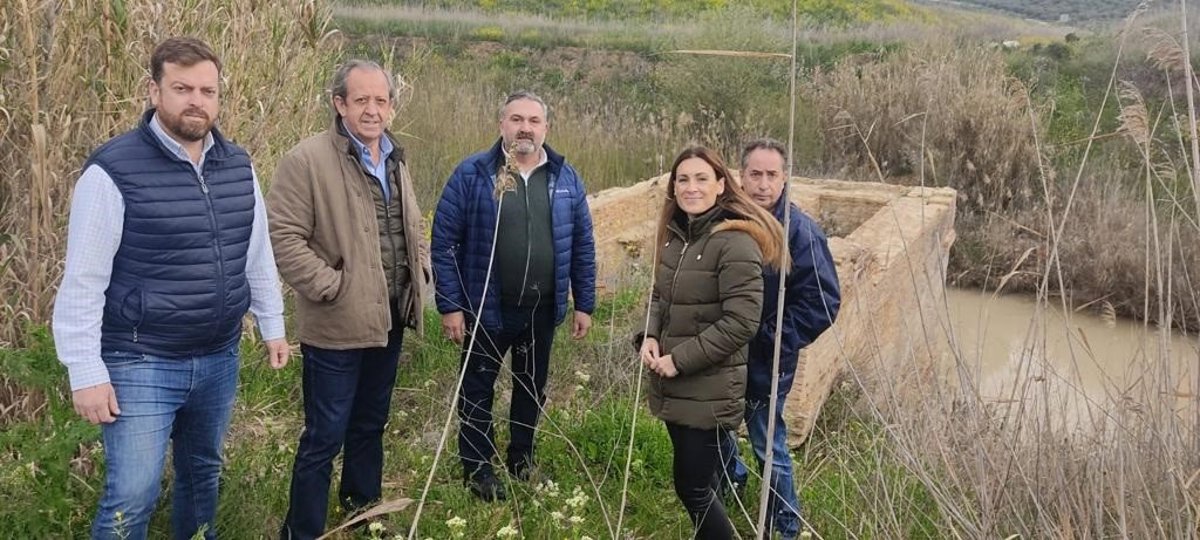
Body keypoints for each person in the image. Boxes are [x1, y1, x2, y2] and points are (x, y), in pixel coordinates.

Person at [51, 37, 289, 540]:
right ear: (154, 90)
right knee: (132, 494)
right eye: (182, 88)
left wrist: (273, 325)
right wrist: (85, 370)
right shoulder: (113, 171)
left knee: (202, 476)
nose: (196, 101)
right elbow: (84, 280)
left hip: (218, 356)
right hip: (141, 361)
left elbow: (256, 252)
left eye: (207, 91)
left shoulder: (238, 166)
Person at [267, 60, 430, 539]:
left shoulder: (395, 158)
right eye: (361, 100)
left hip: (389, 320)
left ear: (392, 106)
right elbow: (283, 237)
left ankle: (362, 514)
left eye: (381, 100)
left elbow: (412, 226)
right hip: (335, 326)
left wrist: (419, 271)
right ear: (339, 104)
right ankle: (302, 531)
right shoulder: (306, 160)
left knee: (370, 424)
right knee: (324, 436)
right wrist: (332, 287)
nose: (372, 110)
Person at [431, 91, 596, 501]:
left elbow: (582, 244)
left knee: (530, 388)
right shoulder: (472, 174)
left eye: (534, 121)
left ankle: (521, 459)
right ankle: (478, 469)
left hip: (541, 308)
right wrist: (450, 305)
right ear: (501, 124)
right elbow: (444, 242)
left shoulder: (565, 177)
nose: (525, 128)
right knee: (477, 389)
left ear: (546, 128)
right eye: (517, 119)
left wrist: (584, 303)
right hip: (487, 308)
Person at [637, 146, 786, 539]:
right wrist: (649, 334)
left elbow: (741, 322)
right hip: (674, 382)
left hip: (708, 385)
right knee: (702, 484)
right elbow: (660, 294)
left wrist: (678, 360)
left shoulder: (735, 242)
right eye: (683, 179)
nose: (691, 187)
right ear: (673, 187)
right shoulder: (677, 236)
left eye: (702, 178)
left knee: (693, 488)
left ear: (721, 184)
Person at [718, 138, 841, 540]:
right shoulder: (724, 219)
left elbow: (823, 303)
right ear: (741, 176)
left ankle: (785, 526)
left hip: (765, 360)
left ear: (784, 178)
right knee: (717, 430)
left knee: (767, 445)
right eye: (755, 174)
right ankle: (732, 483)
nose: (763, 184)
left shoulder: (800, 232)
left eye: (772, 175)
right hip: (721, 356)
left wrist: (769, 338)